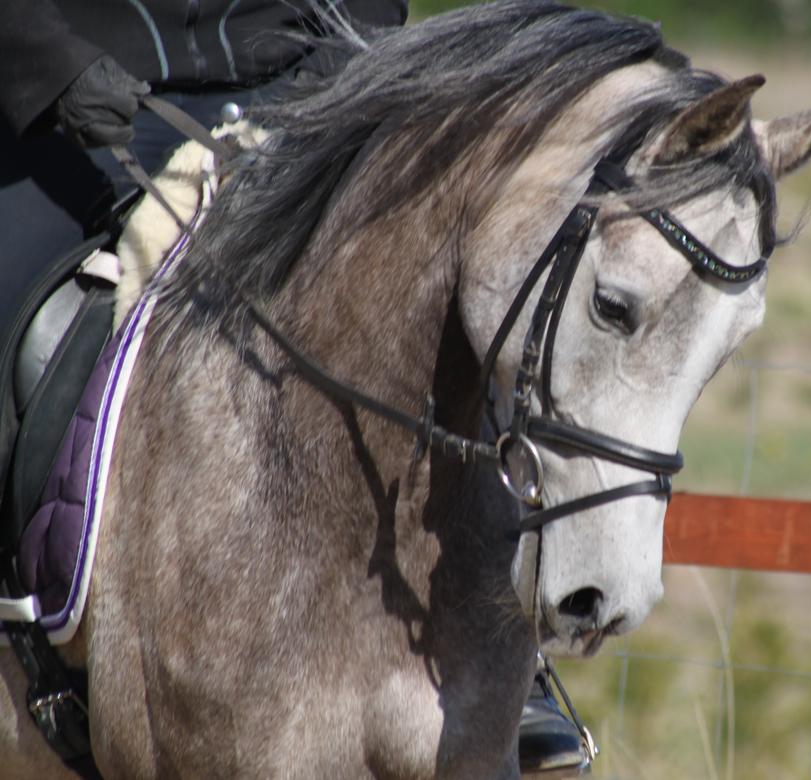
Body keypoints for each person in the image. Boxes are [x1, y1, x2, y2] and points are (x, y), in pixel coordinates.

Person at [0, 0, 589, 774]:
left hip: (301, 93)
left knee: (452, 316)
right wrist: (53, 70)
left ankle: (506, 663)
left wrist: (346, 69)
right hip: (76, 104)